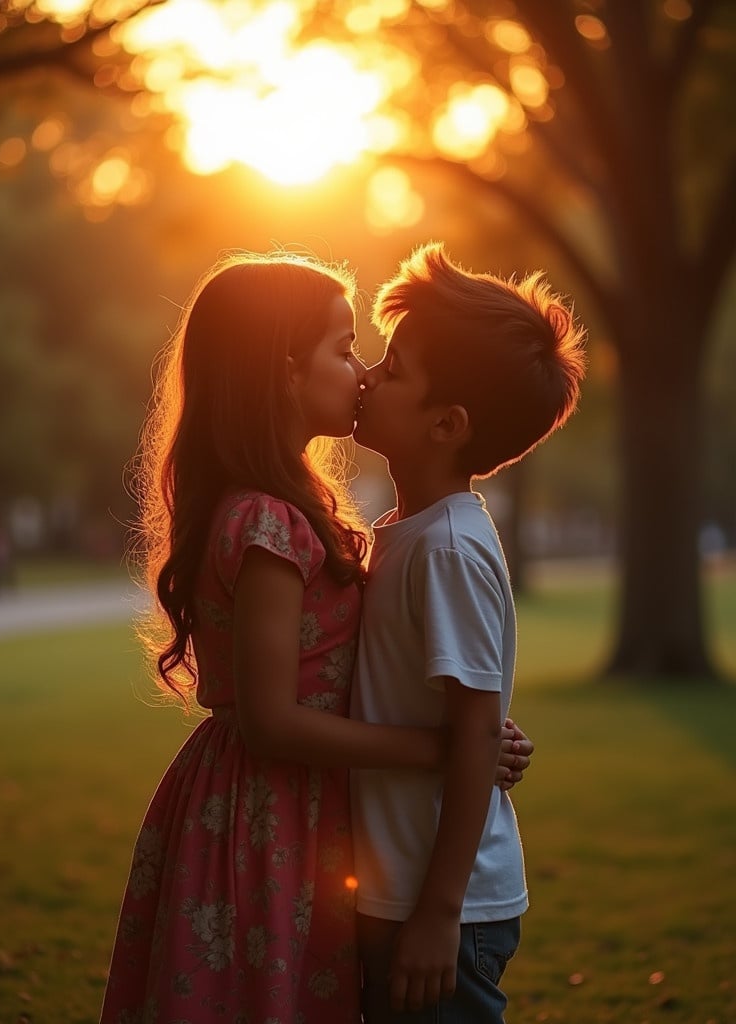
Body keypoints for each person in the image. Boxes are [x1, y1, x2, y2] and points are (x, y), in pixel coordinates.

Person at [99, 251, 533, 1024]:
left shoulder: (391, 530)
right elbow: (272, 718)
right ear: (285, 372)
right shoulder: (271, 521)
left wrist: (474, 738)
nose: (363, 373)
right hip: (265, 817)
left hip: (319, 824)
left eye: (376, 359)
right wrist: (447, 748)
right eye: (345, 350)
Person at [351, 243, 587, 1023]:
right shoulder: (408, 532)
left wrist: (436, 914)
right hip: (403, 890)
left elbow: (476, 732)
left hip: (443, 908)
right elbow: (464, 724)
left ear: (448, 424)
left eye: (394, 370)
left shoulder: (446, 548)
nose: (370, 376)